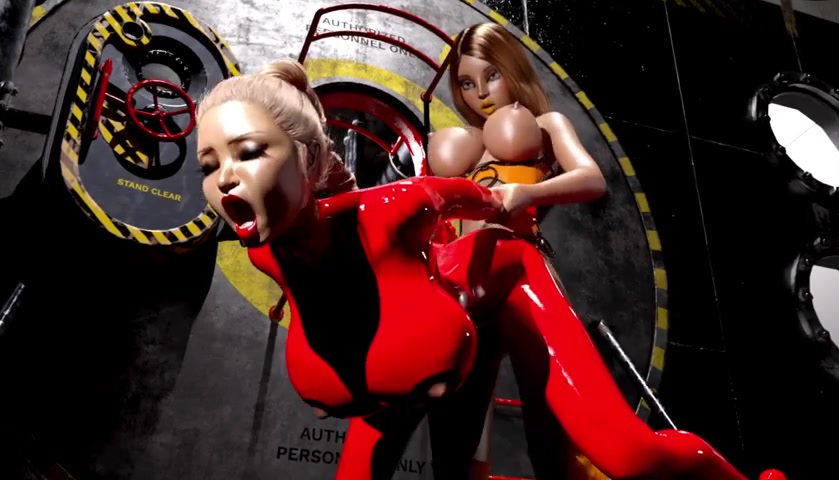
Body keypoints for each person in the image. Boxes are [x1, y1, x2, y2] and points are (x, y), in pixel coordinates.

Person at [194, 58, 786, 480]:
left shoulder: (405, 201)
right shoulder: (269, 253)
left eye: (249, 152)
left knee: (623, 456)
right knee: (451, 469)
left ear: (307, 157)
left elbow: (481, 197)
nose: (225, 179)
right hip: (439, 305)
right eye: (209, 164)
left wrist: (515, 198)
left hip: (507, 273)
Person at [429, 21, 609, 479]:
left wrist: (528, 192)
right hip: (470, 281)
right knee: (455, 435)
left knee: (548, 426)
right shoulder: (469, 144)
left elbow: (592, 179)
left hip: (526, 275)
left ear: (512, 69)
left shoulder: (544, 125)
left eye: (492, 75)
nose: (481, 93)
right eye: (466, 83)